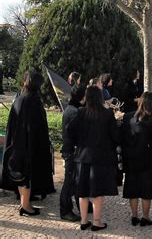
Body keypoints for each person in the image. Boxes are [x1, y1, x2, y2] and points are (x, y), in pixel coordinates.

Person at [2, 71, 55, 216]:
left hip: (17, 144)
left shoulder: (19, 98)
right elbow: (37, 127)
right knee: (27, 176)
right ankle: (25, 206)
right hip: (29, 145)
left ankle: (24, 203)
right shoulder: (34, 100)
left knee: (20, 173)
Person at [71, 86, 120, 231]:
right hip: (101, 157)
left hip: (82, 156)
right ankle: (97, 222)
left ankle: (84, 220)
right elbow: (115, 136)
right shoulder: (107, 114)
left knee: (83, 189)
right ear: (100, 98)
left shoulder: (80, 112)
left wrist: (77, 143)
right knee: (98, 191)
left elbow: (70, 130)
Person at [122, 92, 152, 225]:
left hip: (131, 157)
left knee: (132, 188)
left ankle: (134, 215)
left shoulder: (128, 117)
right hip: (148, 158)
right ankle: (145, 217)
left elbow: (123, 137)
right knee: (146, 189)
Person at [60, 84, 86, 222]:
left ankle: (78, 206)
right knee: (69, 182)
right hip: (71, 151)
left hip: (70, 150)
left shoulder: (70, 109)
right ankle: (65, 211)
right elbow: (75, 133)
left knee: (74, 181)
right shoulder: (75, 112)